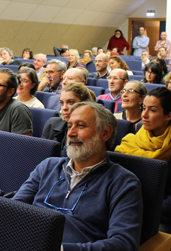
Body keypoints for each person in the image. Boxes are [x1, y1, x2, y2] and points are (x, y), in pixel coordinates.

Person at [15, 102, 142, 250]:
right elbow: (14, 210)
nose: (71, 134)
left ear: (105, 133)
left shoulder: (123, 182)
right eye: (69, 126)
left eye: (80, 126)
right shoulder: (48, 167)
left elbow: (124, 244)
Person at [116, 87, 171, 250]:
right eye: (143, 108)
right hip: (127, 208)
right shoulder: (133, 140)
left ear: (169, 115)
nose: (144, 115)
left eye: (152, 110)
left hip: (160, 217)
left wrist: (141, 212)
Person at [42, 83, 96, 153]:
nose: (64, 108)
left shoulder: (93, 130)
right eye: (62, 103)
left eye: (70, 102)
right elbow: (42, 155)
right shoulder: (51, 124)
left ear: (86, 103)